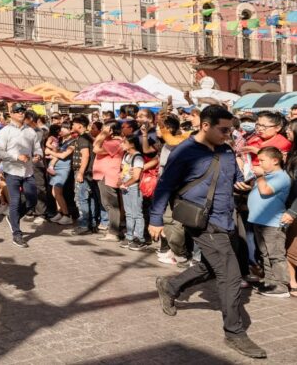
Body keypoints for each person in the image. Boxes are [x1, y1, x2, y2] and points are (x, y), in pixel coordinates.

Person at [150, 105, 266, 360]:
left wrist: (242, 182)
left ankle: (170, 286)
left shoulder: (225, 149)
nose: (228, 134)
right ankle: (234, 332)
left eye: (230, 129)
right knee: (231, 275)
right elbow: (164, 186)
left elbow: (232, 176)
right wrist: (156, 219)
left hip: (226, 218)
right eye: (223, 129)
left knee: (213, 266)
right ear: (205, 125)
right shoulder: (184, 152)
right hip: (201, 220)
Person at [0, 103, 43, 248]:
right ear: (12, 114)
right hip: (12, 171)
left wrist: (37, 156)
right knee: (15, 201)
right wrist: (16, 157)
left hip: (28, 171)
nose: (21, 113)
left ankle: (12, 218)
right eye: (18, 111)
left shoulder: (31, 131)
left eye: (23, 110)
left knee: (32, 200)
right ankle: (17, 233)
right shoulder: (5, 131)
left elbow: (38, 149)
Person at [247, 147, 292, 298]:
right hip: (259, 221)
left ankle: (282, 285)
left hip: (272, 223)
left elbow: (265, 191)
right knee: (265, 253)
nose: (258, 163)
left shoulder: (281, 176)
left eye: (262, 160)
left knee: (275, 254)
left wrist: (259, 176)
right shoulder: (268, 175)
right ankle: (269, 281)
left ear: (275, 160)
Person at [93, 121, 125, 242]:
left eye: (105, 128)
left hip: (108, 176)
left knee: (111, 205)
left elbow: (96, 149)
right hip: (103, 175)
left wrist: (103, 134)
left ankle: (113, 232)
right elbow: (95, 143)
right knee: (107, 203)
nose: (102, 130)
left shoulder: (115, 142)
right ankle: (114, 230)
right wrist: (103, 135)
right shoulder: (110, 140)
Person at [71, 116, 102, 236]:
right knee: (91, 198)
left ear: (79, 125)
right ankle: (92, 223)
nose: (72, 127)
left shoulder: (83, 138)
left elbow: (85, 156)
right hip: (89, 172)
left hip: (83, 172)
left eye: (74, 124)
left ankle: (84, 225)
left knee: (82, 198)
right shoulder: (88, 137)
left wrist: (80, 172)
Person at [119, 135, 146, 251]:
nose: (122, 144)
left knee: (137, 213)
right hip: (125, 186)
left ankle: (139, 238)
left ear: (132, 144)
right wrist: (120, 180)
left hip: (134, 187)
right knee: (128, 213)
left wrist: (125, 184)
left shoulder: (138, 157)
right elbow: (123, 170)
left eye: (124, 142)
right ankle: (129, 236)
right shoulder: (126, 155)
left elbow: (136, 177)